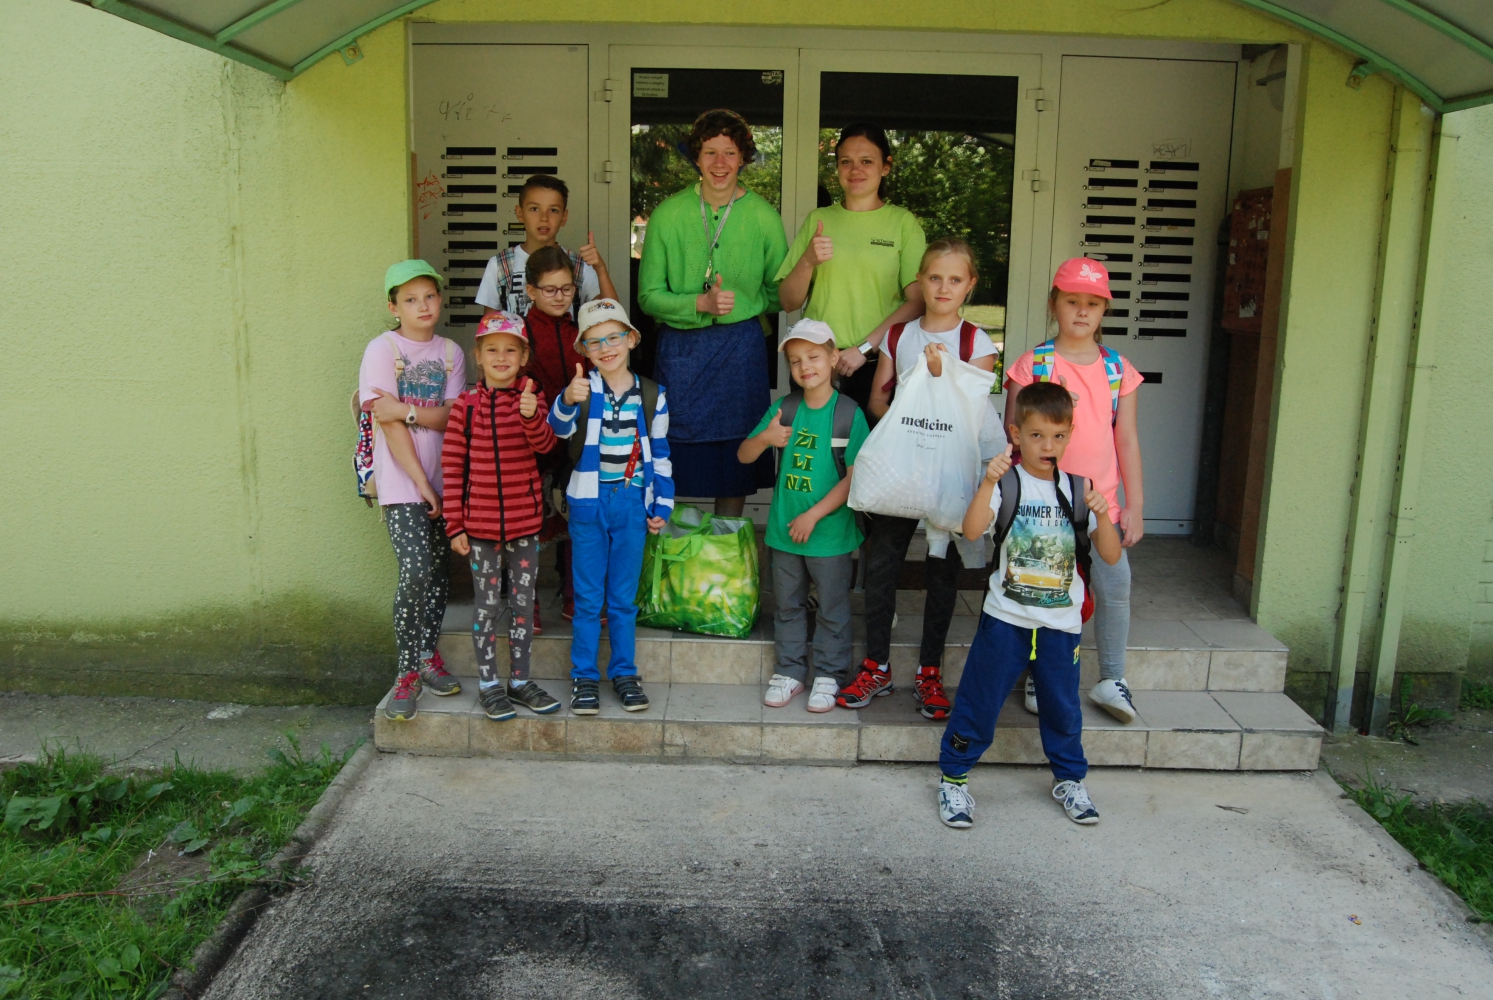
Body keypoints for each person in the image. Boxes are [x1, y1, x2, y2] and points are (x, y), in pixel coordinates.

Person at [936, 381, 1122, 829]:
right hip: (1006, 619)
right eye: (1037, 435)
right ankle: (953, 779)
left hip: (1061, 625)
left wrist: (1102, 513)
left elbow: (1111, 555)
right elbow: (972, 531)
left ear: (1070, 435)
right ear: (1016, 434)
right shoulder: (1007, 484)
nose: (1048, 446)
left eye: (1058, 436)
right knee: (980, 700)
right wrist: (988, 481)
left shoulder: (1079, 488)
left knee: (1063, 708)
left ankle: (1070, 780)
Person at [838, 239, 1000, 717]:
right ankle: (876, 665)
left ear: (970, 285)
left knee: (942, 571)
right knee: (882, 563)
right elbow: (878, 399)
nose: (943, 287)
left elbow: (969, 411)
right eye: (934, 277)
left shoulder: (977, 343)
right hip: (903, 471)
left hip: (950, 473)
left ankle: (931, 671)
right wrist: (904, 425)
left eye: (955, 279)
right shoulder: (899, 336)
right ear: (920, 282)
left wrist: (938, 373)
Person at [1004, 258, 1144, 724]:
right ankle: (1039, 674)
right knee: (1044, 589)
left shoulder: (1117, 368)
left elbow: (1126, 439)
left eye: (1093, 304)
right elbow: (1014, 436)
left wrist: (1136, 505)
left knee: (1114, 586)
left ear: (1103, 310)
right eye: (1072, 301)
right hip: (1045, 506)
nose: (1082, 311)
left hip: (1101, 503)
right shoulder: (1034, 364)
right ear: (1054, 304)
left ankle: (1112, 678)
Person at [636, 108, 788, 516]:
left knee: (736, 457)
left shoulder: (764, 217)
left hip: (740, 351)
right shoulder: (668, 214)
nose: (720, 163)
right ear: (696, 157)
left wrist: (748, 303)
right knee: (674, 452)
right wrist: (698, 304)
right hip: (681, 350)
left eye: (730, 153)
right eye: (710, 152)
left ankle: (726, 542)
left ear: (743, 158)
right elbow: (648, 296)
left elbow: (778, 294)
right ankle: (676, 541)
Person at [737, 319, 870, 713]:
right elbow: (744, 455)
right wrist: (765, 438)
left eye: (813, 356)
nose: (805, 366)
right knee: (787, 605)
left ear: (833, 358)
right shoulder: (785, 408)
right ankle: (790, 671)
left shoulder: (849, 413)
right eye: (795, 361)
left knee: (832, 608)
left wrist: (813, 515)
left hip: (830, 534)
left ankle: (829, 673)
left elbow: (855, 478)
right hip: (783, 531)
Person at [548, 299, 672, 715]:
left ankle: (624, 672)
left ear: (631, 339)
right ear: (583, 350)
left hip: (633, 502)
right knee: (587, 599)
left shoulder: (652, 394)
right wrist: (567, 399)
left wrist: (662, 503)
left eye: (613, 337)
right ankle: (584, 676)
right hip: (588, 501)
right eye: (594, 341)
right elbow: (558, 429)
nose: (606, 348)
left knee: (622, 598)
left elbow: (661, 453)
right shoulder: (583, 389)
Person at [440, 311, 563, 723]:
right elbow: (452, 467)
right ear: (478, 356)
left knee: (524, 606)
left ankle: (520, 681)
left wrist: (530, 415)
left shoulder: (532, 398)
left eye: (511, 350)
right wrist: (454, 524)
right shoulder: (466, 407)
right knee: (487, 607)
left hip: (525, 526)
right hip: (479, 529)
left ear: (524, 357)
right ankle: (489, 684)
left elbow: (545, 446)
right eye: (492, 350)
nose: (501, 357)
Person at [360, 260, 466, 722]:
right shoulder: (382, 349)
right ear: (393, 307)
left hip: (447, 479)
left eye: (429, 296)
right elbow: (384, 421)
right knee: (416, 569)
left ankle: (427, 657)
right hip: (403, 482)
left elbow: (452, 417)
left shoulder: (451, 352)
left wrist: (404, 410)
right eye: (410, 299)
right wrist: (422, 484)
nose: (422, 306)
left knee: (440, 574)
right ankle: (405, 673)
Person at [775, 123, 927, 411]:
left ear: (886, 167)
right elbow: (788, 301)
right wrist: (807, 261)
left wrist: (864, 348)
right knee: (815, 442)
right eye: (846, 161)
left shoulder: (902, 223)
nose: (855, 169)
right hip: (817, 363)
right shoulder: (818, 220)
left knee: (870, 442)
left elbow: (918, 301)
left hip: (877, 363)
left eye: (866, 161)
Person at [520, 245, 594, 622]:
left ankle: (573, 594)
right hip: (529, 442)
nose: (560, 297)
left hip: (574, 442)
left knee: (574, 517)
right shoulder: (521, 334)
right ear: (531, 291)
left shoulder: (579, 331)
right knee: (528, 522)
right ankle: (526, 601)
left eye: (567, 289)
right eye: (550, 290)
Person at [475, 175, 617, 318]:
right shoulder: (499, 265)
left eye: (553, 210)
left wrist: (600, 269)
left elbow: (612, 315)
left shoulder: (579, 266)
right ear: (520, 213)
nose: (544, 218)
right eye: (534, 209)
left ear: (564, 217)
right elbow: (489, 324)